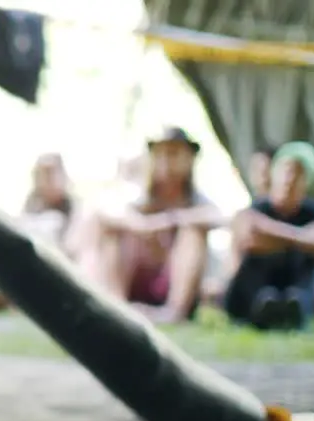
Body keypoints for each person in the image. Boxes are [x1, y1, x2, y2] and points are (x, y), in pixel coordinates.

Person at [76, 127, 223, 324]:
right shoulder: (136, 197)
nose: (166, 162)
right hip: (134, 277)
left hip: (171, 282)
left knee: (192, 234)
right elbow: (103, 213)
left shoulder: (197, 201)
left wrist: (170, 221)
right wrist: (143, 226)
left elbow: (217, 217)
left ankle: (174, 313)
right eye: (160, 154)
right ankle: (114, 305)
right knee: (112, 234)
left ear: (189, 159)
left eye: (173, 154)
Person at [223, 142, 314, 330]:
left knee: (307, 274)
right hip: (253, 288)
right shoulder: (259, 207)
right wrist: (302, 237)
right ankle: (264, 304)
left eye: (299, 173)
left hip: (295, 284)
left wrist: (272, 236)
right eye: (286, 170)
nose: (290, 179)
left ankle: (294, 307)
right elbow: (250, 237)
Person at [17, 152, 76, 256]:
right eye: (44, 175)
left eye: (52, 174)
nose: (48, 181)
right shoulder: (31, 208)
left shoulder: (75, 211)